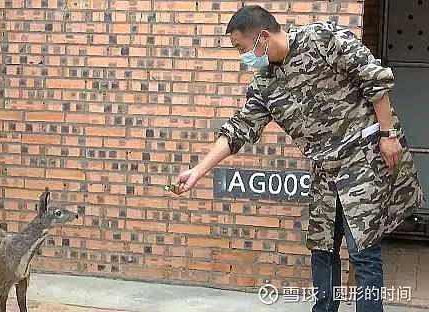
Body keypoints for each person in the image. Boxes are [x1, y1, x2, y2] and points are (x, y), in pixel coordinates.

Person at [174, 5, 425, 312]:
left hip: (362, 159)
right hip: (325, 168)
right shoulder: (265, 83)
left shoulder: (322, 40)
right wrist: (198, 170)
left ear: (263, 37)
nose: (243, 57)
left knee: (363, 250)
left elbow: (374, 80)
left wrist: (388, 134)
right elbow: (239, 128)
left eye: (242, 48)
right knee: (321, 248)